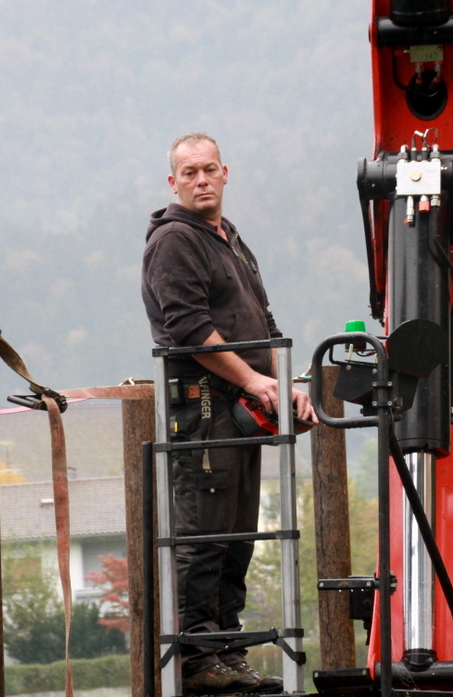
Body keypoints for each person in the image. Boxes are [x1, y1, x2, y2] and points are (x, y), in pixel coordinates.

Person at [142, 132, 317, 694]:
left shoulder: (229, 239)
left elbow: (264, 323)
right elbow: (188, 328)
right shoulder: (175, 240)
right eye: (189, 172)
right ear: (173, 182)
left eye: (209, 169)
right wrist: (254, 380)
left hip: (239, 404)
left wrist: (285, 386)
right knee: (204, 534)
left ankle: (228, 652)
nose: (201, 180)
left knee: (238, 535)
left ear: (225, 173)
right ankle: (197, 660)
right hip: (202, 407)